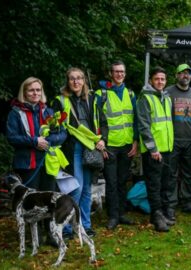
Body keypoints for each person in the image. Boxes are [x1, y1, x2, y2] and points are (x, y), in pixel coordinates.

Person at [6, 76, 67, 245]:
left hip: (48, 163)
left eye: (38, 90)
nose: (35, 93)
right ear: (24, 92)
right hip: (27, 163)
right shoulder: (15, 113)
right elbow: (12, 137)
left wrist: (49, 141)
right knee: (32, 202)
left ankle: (51, 232)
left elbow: (63, 134)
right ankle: (35, 235)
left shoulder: (48, 112)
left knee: (49, 200)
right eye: (31, 90)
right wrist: (34, 141)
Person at [51, 68, 106, 238]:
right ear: (67, 82)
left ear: (84, 81)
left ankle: (85, 226)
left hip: (91, 147)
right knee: (75, 188)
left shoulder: (94, 99)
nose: (76, 82)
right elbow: (55, 126)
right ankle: (67, 229)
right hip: (72, 148)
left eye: (79, 78)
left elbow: (103, 122)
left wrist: (103, 139)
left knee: (87, 190)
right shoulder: (60, 101)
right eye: (72, 79)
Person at [95, 60, 138, 230]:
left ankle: (121, 213)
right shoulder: (101, 94)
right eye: (116, 71)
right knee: (111, 182)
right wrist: (100, 142)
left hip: (127, 145)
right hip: (110, 145)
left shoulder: (131, 94)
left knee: (122, 181)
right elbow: (95, 120)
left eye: (122, 71)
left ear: (125, 74)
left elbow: (135, 120)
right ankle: (112, 216)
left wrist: (135, 141)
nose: (119, 74)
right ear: (111, 73)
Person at [136, 67, 175, 232]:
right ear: (151, 80)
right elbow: (144, 126)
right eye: (157, 79)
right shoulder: (145, 98)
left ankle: (163, 213)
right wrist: (153, 149)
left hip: (167, 148)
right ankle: (156, 215)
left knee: (165, 183)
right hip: (154, 151)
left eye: (163, 79)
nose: (160, 82)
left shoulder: (166, 98)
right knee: (154, 184)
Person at [165, 63, 191, 216]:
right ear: (176, 75)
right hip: (172, 140)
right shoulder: (167, 92)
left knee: (188, 173)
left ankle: (188, 202)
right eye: (182, 73)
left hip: (189, 141)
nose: (185, 76)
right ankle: (171, 204)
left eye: (188, 73)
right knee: (171, 173)